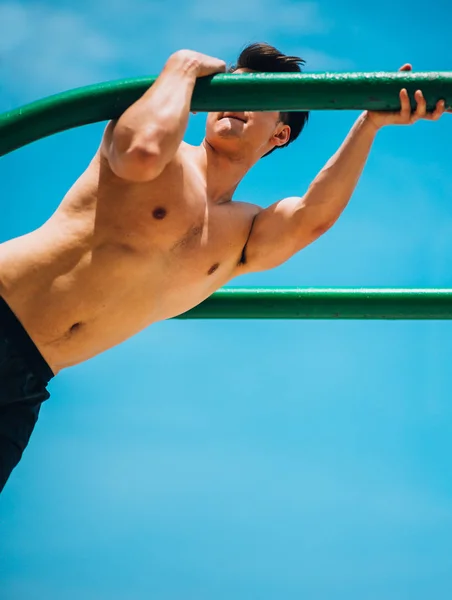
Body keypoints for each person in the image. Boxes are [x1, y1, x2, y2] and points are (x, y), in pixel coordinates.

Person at [0, 43, 448, 493]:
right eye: (233, 87)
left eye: (258, 96)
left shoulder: (243, 235)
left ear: (280, 134)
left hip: (29, 381)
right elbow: (140, 152)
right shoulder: (160, 143)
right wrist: (183, 67)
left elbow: (312, 218)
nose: (237, 99)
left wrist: (370, 123)